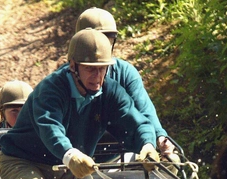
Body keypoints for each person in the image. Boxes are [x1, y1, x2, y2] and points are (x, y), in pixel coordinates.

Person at [0, 29, 160, 179]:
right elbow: (49, 126)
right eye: (89, 68)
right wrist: (70, 154)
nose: (97, 76)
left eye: (102, 68)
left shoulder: (111, 91)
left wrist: (147, 144)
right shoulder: (51, 88)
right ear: (73, 65)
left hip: (66, 165)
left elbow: (136, 121)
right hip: (21, 161)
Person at [74, 7, 180, 166]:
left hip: (122, 156)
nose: (101, 47)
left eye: (107, 40)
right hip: (79, 160)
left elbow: (145, 112)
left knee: (170, 167)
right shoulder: (67, 77)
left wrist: (160, 138)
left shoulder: (125, 72)